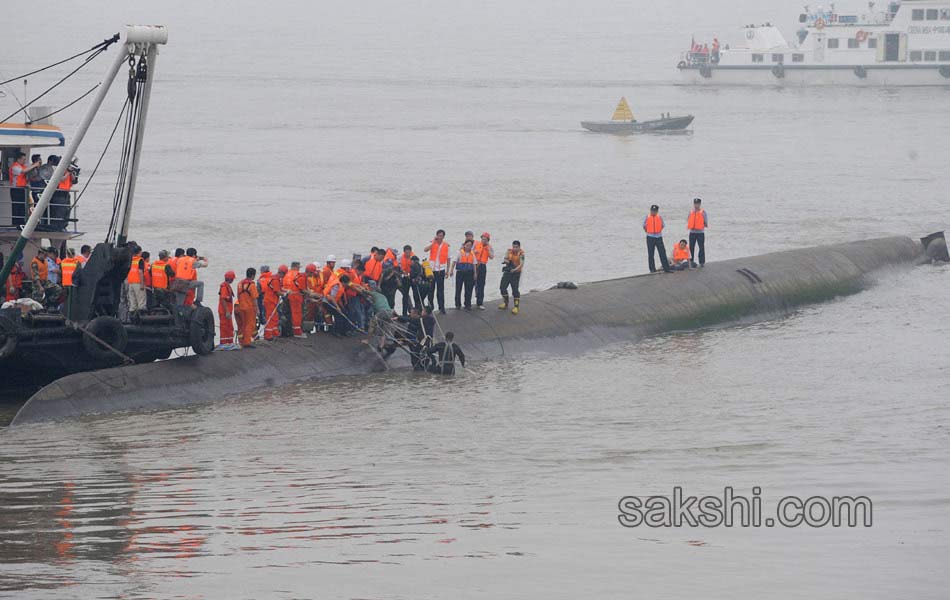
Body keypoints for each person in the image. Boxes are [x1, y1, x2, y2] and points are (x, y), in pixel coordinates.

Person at [9, 152, 40, 226]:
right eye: (23, 159)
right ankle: (16, 223)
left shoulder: (23, 166)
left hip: (23, 189)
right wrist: (34, 165)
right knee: (17, 206)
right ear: (18, 159)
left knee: (23, 206)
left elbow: (28, 170)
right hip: (16, 189)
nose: (24, 161)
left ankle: (21, 222)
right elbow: (23, 171)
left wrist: (35, 166)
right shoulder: (14, 167)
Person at [423, 229, 450, 314]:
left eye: (441, 236)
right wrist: (433, 242)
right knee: (431, 290)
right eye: (438, 235)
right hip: (432, 270)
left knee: (440, 290)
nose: (439, 237)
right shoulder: (432, 243)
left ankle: (441, 307)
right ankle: (430, 308)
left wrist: (447, 271)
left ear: (443, 236)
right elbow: (425, 249)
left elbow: (448, 259)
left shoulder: (446, 245)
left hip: (440, 270)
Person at [643, 204, 672, 273]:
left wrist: (658, 231)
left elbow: (662, 225)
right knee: (651, 254)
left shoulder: (659, 217)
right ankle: (652, 269)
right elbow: (644, 226)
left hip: (658, 237)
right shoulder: (647, 217)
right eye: (652, 210)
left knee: (662, 253)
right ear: (650, 210)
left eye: (655, 211)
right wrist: (649, 232)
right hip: (650, 237)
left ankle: (666, 268)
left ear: (657, 211)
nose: (653, 212)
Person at [498, 240, 525, 314]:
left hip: (516, 273)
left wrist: (514, 269)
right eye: (513, 247)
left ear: (519, 247)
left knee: (515, 290)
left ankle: (516, 307)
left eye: (516, 247)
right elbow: (505, 258)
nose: (514, 248)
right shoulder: (509, 251)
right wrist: (506, 261)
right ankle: (505, 303)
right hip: (508, 272)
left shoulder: (521, 254)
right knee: (502, 287)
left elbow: (521, 264)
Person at [450, 239, 477, 310]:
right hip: (460, 272)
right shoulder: (459, 253)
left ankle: (468, 304)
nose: (469, 247)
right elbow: (454, 262)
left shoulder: (472, 253)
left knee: (468, 289)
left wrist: (475, 273)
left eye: (470, 245)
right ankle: (457, 304)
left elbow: (474, 264)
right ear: (464, 245)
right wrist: (451, 270)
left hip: (469, 273)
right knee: (458, 288)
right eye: (467, 245)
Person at [235, 268, 259, 348]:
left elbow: (238, 296)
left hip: (241, 306)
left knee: (243, 324)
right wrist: (257, 309)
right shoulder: (252, 285)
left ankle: (241, 342)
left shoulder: (240, 284)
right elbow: (254, 298)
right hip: (249, 308)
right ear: (253, 275)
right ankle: (247, 342)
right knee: (249, 325)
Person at [283, 261, 306, 337]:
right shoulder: (297, 275)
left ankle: (289, 331)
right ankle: (297, 332)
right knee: (297, 314)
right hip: (296, 296)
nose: (299, 269)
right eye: (299, 267)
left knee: (289, 315)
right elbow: (301, 288)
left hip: (287, 296)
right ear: (296, 267)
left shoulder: (287, 274)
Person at [258, 265, 281, 340]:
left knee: (265, 317)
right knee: (274, 316)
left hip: (264, 299)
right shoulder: (273, 278)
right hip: (274, 299)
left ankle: (267, 334)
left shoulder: (260, 280)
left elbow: (258, 292)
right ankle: (274, 333)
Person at [473, 232, 493, 309]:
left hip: (482, 266)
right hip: (474, 264)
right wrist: (474, 252)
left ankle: (480, 302)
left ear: (488, 240)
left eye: (485, 239)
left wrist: (488, 250)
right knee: (471, 283)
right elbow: (468, 250)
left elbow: (492, 257)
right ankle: (467, 303)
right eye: (482, 239)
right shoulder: (476, 244)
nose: (483, 240)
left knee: (481, 284)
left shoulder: (489, 247)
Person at [127, 245, 148, 317]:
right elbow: (140, 272)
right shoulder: (140, 260)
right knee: (141, 302)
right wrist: (142, 284)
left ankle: (132, 318)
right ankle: (141, 319)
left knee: (133, 303)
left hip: (130, 283)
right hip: (138, 283)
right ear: (139, 252)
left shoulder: (130, 260)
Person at [687, 197, 708, 268]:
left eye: (698, 204)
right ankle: (691, 262)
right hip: (692, 232)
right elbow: (688, 220)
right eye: (695, 204)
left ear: (700, 204)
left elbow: (705, 222)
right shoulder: (690, 212)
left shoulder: (703, 212)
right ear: (693, 204)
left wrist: (700, 225)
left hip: (700, 233)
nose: (696, 205)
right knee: (691, 247)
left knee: (701, 247)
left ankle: (701, 262)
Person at [398, 245, 416, 315]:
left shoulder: (414, 258)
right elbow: (399, 267)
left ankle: (416, 311)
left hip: (412, 278)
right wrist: (403, 272)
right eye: (406, 253)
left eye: (409, 252)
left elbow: (417, 268)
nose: (408, 254)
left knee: (415, 294)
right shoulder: (400, 258)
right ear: (404, 252)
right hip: (405, 278)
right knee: (405, 295)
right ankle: (404, 313)